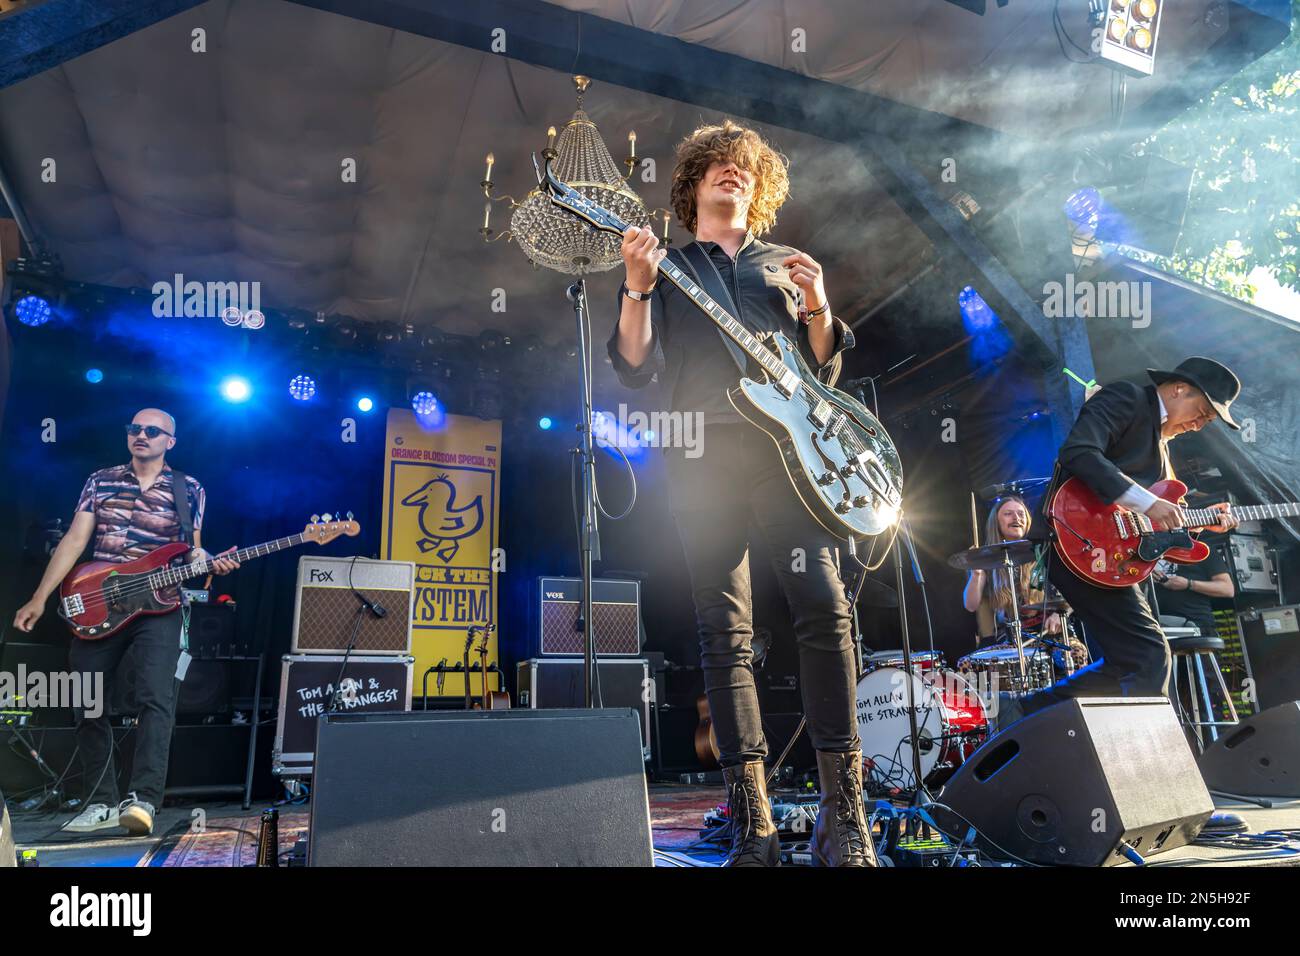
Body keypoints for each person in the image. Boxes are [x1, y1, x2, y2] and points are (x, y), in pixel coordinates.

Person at [609, 120, 873, 866]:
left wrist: (818, 303)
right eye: (720, 168)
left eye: (747, 170)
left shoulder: (782, 265)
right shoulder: (668, 264)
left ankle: (840, 815)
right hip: (701, 456)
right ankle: (753, 823)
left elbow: (823, 374)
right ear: (693, 185)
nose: (736, 175)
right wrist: (635, 287)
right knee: (724, 635)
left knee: (825, 607)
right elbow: (634, 365)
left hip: (792, 459)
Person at [12, 408, 239, 835]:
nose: (141, 435)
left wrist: (209, 562)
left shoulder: (188, 488)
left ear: (170, 441)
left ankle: (144, 801)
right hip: (98, 601)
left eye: (152, 431)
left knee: (156, 699)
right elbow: (75, 540)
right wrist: (40, 598)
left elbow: (192, 551)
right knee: (88, 701)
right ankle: (100, 802)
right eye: (135, 428)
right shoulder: (101, 480)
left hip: (159, 605)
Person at [1003, 358, 1242, 726]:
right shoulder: (1127, 398)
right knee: (1150, 655)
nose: (1199, 425)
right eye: (1203, 412)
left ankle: (1026, 711)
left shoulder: (1162, 447)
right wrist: (1149, 503)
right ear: (1179, 389)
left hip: (1117, 559)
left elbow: (1151, 522)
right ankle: (1146, 760)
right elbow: (1078, 452)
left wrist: (1201, 524)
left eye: (1207, 421)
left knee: (1128, 663)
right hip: (1077, 541)